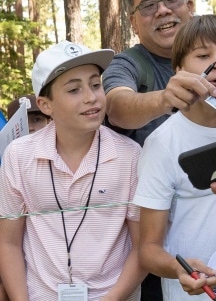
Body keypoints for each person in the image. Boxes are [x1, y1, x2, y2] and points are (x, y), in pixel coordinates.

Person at [102, 0, 216, 300]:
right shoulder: (128, 64)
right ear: (133, 21)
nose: (163, 10)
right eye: (148, 5)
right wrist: (164, 99)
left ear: (189, 6)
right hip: (154, 246)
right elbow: (117, 106)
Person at [0, 40, 146, 300]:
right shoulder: (19, 155)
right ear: (46, 105)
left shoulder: (130, 155)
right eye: (74, 89)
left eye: (95, 84)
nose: (91, 97)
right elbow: (8, 242)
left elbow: (142, 245)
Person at [133, 15, 216, 300]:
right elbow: (148, 250)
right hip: (196, 292)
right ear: (179, 69)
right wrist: (179, 269)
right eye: (203, 55)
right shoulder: (162, 143)